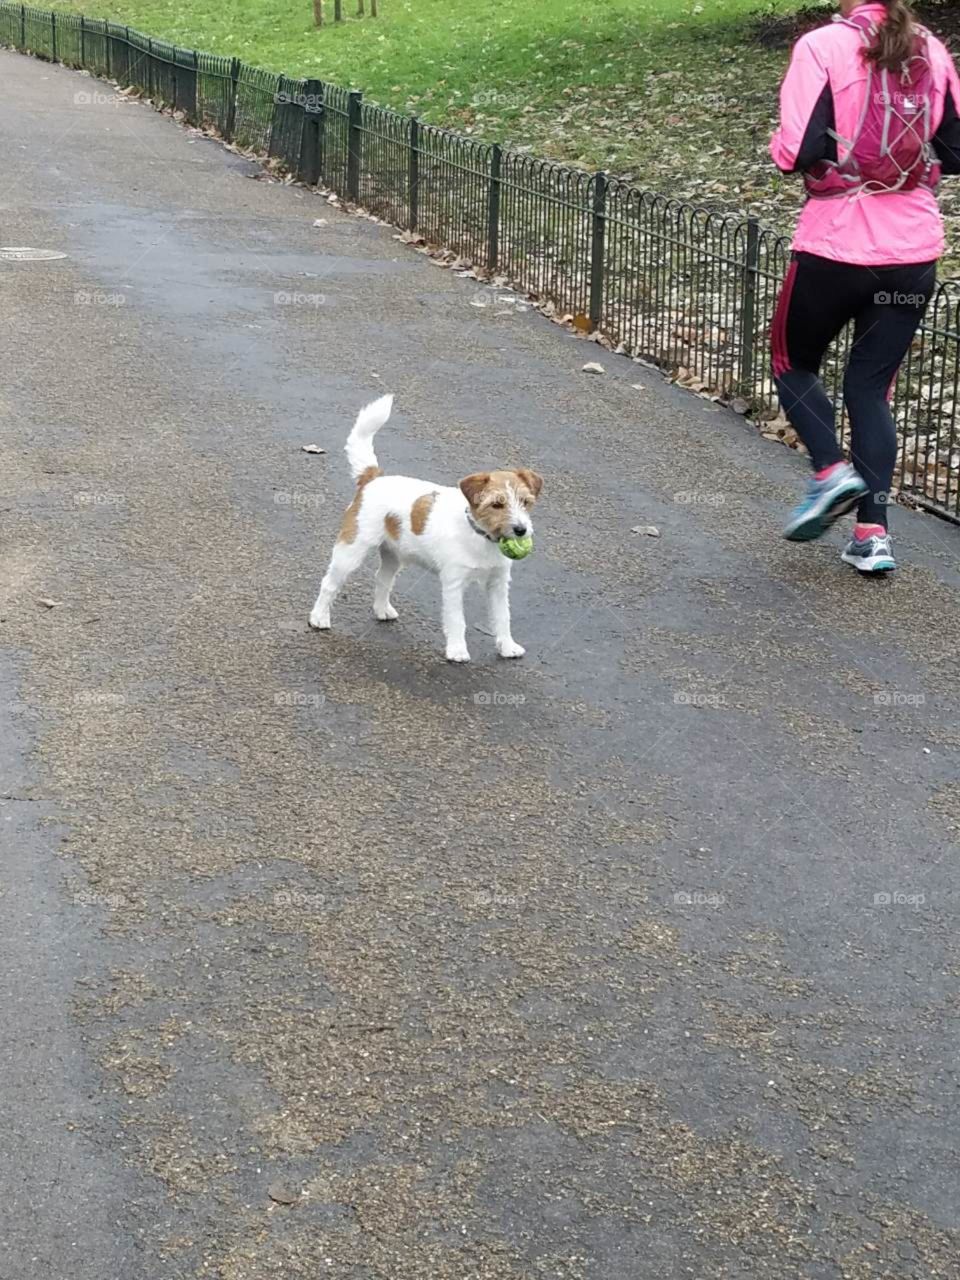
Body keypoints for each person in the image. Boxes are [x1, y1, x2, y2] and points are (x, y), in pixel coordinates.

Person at [770, 0, 960, 573]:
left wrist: (788, 151)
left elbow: (795, 151)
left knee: (792, 362)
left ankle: (830, 472)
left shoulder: (821, 46)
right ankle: (873, 535)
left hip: (835, 250)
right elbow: (954, 150)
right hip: (912, 255)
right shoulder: (933, 49)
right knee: (872, 387)